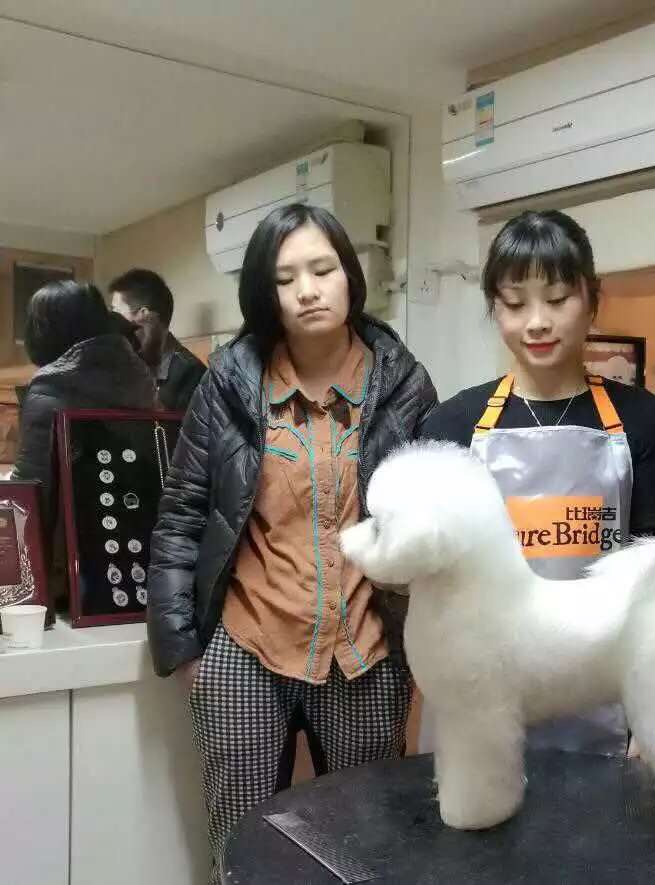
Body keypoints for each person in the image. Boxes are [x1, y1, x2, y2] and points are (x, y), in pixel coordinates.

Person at [146, 204, 437, 879]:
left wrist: (425, 646)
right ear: (265, 293)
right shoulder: (229, 380)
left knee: (369, 852)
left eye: (322, 269)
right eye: (285, 278)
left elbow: (431, 525)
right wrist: (184, 651)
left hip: (365, 651)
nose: (307, 290)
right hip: (247, 646)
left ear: (350, 276)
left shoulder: (404, 382)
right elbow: (181, 515)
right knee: (242, 851)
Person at [418, 209, 655, 755]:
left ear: (592, 300)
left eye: (557, 299)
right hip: (482, 691)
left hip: (605, 692)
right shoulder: (451, 426)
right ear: (494, 307)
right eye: (515, 304)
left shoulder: (643, 421)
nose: (537, 322)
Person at [12, 281, 157, 604]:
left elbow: (30, 498)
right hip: (139, 558)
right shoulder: (139, 377)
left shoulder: (50, 388)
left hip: (69, 575)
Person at [110, 268, 207, 413]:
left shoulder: (191, 373)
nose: (112, 319)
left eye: (116, 311)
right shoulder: (126, 363)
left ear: (144, 314)